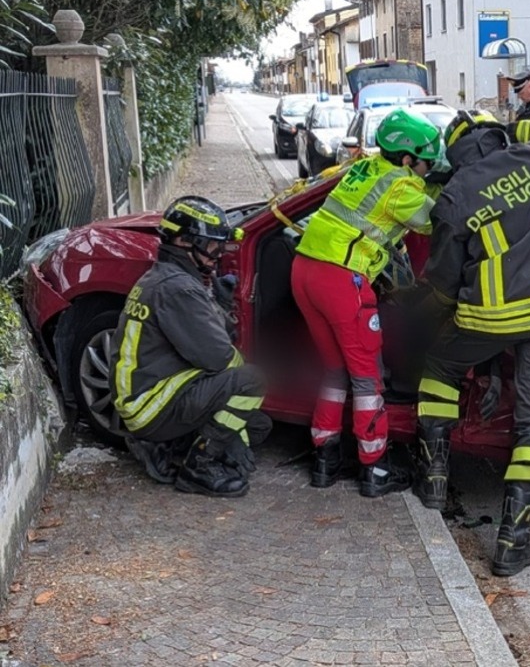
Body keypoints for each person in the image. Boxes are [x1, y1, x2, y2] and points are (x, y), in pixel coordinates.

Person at [412, 111, 530, 576]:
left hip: (491, 318)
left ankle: (433, 479)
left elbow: (443, 282)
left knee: (438, 367)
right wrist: (513, 127)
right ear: (495, 135)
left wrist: (419, 316)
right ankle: (513, 540)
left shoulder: (454, 195)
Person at [290, 107, 441, 497]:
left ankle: (325, 458)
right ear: (408, 159)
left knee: (334, 371)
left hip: (304, 270)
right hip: (342, 278)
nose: (427, 168)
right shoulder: (403, 188)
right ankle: (374, 469)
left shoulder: (365, 167)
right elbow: (438, 221)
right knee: (368, 379)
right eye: (426, 161)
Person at [112, 196, 270, 498]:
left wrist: (217, 303)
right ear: (185, 241)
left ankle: (169, 446)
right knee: (253, 381)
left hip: (149, 396)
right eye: (211, 246)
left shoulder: (167, 277)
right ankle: (199, 466)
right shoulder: (179, 289)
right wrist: (225, 440)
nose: (218, 254)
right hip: (152, 405)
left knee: (259, 426)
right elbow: (219, 357)